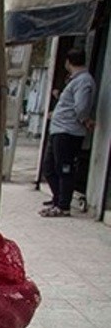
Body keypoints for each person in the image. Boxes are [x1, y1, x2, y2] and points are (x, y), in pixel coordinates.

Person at [40, 48, 96, 218]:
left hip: (68, 131)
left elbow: (81, 107)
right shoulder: (75, 81)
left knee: (64, 168)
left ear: (67, 62)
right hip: (59, 129)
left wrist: (85, 119)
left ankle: (63, 205)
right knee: (49, 167)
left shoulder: (84, 81)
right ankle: (58, 199)